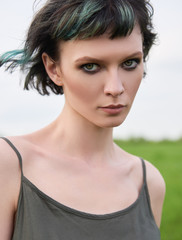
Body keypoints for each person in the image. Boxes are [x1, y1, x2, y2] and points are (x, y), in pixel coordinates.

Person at [0, 0, 165, 239]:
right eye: (90, 66)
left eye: (130, 63)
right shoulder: (10, 165)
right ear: (53, 68)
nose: (115, 88)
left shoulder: (148, 181)